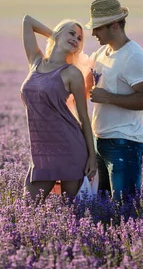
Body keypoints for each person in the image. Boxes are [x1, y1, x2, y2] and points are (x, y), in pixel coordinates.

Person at [84, 0, 143, 201]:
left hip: (124, 143)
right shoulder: (101, 53)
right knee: (104, 208)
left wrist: (107, 97)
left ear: (114, 25)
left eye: (98, 28)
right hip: (100, 142)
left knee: (125, 210)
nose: (93, 33)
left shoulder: (134, 56)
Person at [20, 15, 97, 201]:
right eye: (71, 33)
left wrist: (92, 158)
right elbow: (27, 21)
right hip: (41, 152)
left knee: (75, 214)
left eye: (79, 38)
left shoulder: (72, 74)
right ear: (58, 34)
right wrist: (53, 34)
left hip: (70, 147)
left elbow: (84, 118)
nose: (76, 39)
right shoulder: (36, 61)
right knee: (26, 209)